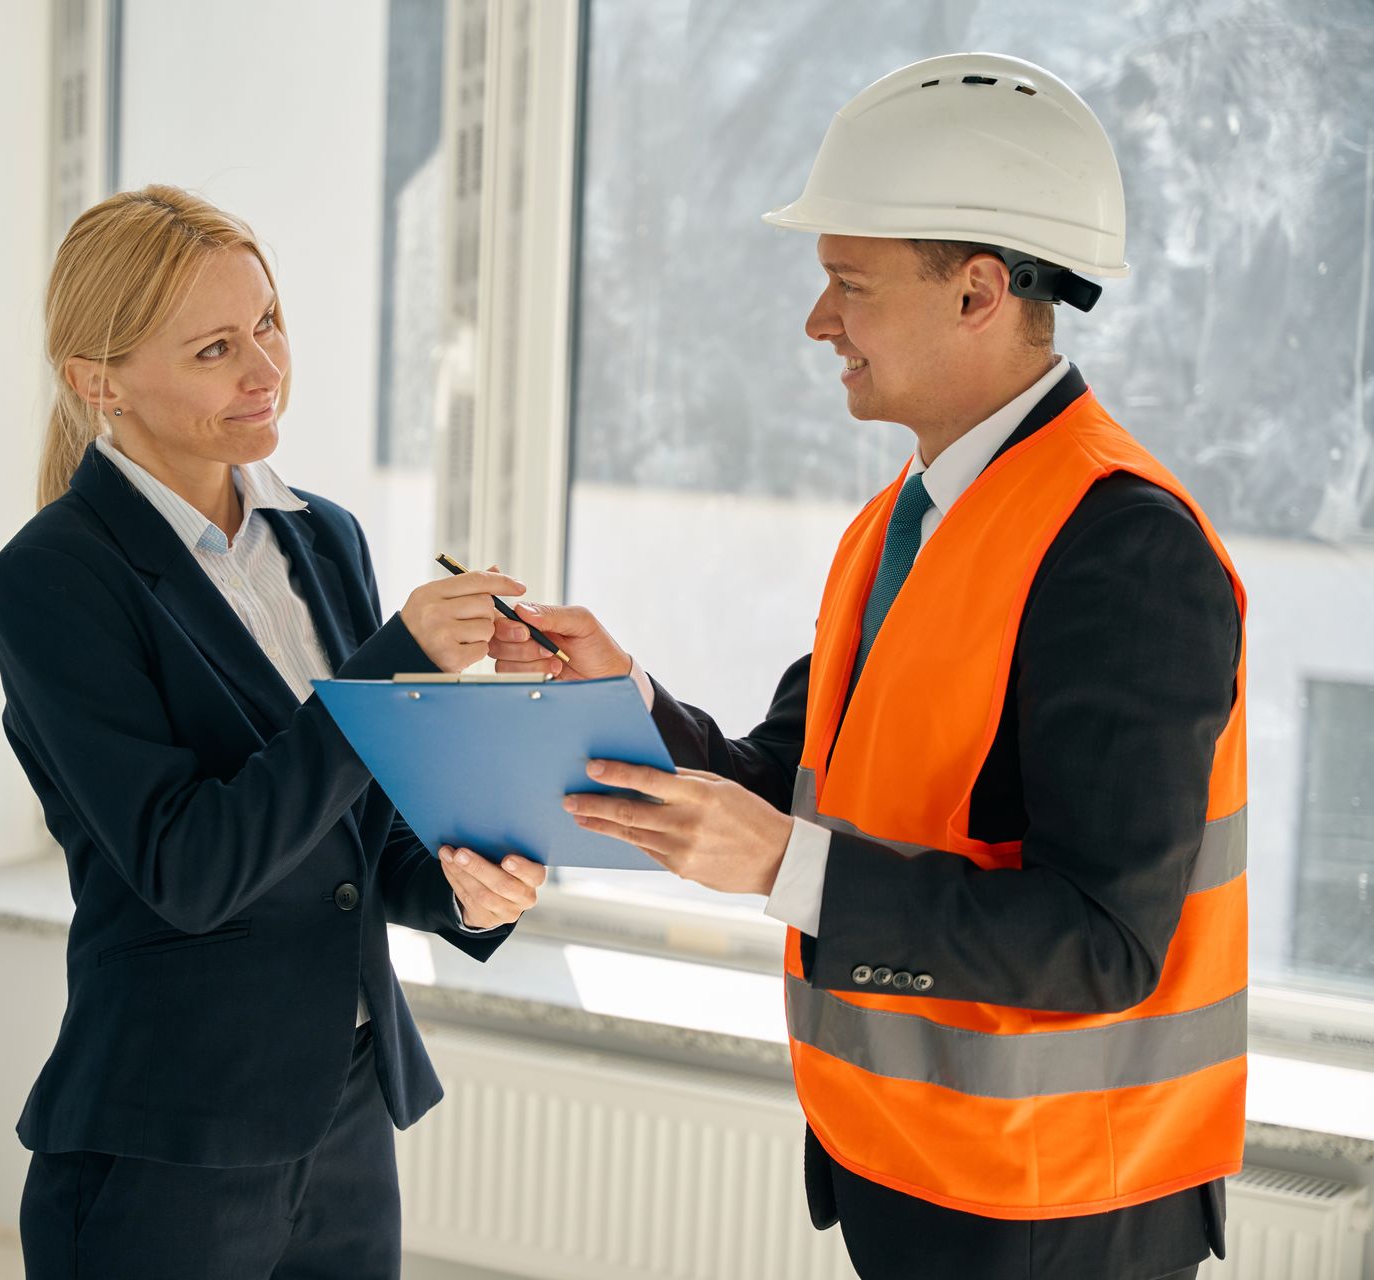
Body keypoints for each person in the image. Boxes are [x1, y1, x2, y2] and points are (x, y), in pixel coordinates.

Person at [492, 54, 1244, 1280]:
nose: (817, 320)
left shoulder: (1124, 547)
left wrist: (791, 870)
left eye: (847, 283)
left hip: (1058, 1210)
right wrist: (617, 696)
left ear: (978, 292)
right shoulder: (913, 517)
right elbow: (793, 781)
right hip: (917, 1175)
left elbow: (1102, 938)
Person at [0, 185, 547, 1279]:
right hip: (169, 1131)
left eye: (270, 323)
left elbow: (357, 833)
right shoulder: (53, 580)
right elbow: (189, 867)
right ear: (97, 379)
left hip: (344, 1106)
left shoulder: (322, 539)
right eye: (214, 348)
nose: (265, 368)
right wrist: (389, 670)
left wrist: (463, 883)